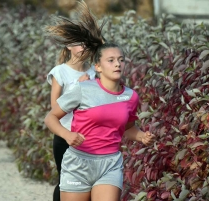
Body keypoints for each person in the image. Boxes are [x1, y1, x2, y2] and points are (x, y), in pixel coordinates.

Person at [44, 1, 156, 201]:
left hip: (110, 163)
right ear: (98, 66)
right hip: (77, 157)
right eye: (111, 60)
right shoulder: (79, 86)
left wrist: (142, 137)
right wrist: (67, 135)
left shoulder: (131, 97)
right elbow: (51, 116)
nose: (118, 64)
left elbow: (128, 129)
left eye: (121, 60)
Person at [47, 43, 95, 201]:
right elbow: (55, 107)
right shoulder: (60, 71)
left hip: (89, 137)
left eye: (86, 43)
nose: (84, 47)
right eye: (79, 43)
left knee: (89, 184)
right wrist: (78, 85)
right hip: (65, 135)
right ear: (68, 46)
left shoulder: (95, 72)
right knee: (66, 182)